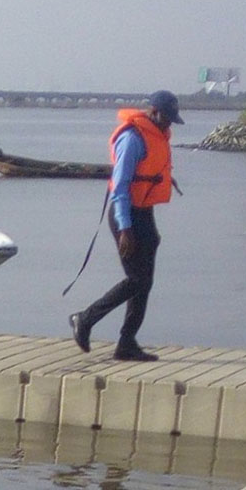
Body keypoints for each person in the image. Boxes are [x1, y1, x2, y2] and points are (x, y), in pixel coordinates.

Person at [69, 90, 183, 362]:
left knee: (145, 283)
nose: (169, 124)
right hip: (126, 216)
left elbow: (151, 171)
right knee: (136, 279)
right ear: (154, 112)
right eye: (166, 118)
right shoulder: (132, 138)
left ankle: (127, 344)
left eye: (172, 120)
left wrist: (167, 180)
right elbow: (119, 187)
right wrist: (125, 229)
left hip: (145, 213)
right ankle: (84, 319)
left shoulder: (156, 135)